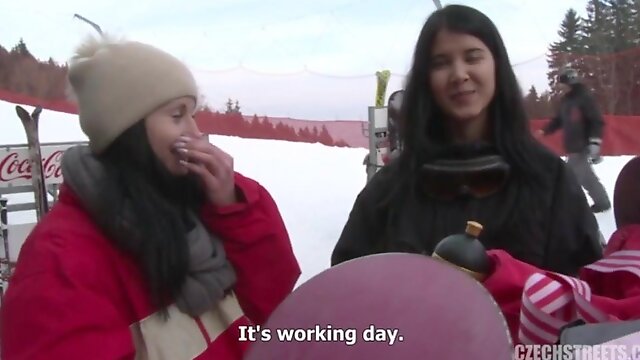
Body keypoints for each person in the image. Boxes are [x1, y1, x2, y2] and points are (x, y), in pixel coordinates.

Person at [0, 34, 300, 359]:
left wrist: (233, 206)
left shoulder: (193, 204)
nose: (196, 132)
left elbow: (274, 302)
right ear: (128, 131)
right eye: (177, 115)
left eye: (193, 113)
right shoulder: (60, 261)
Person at [331, 4, 603, 276]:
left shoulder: (549, 179)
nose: (459, 74)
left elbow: (586, 291)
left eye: (473, 58)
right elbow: (348, 288)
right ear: (426, 80)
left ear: (497, 66)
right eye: (441, 63)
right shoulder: (390, 189)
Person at [538, 67, 611, 213]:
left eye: (562, 84)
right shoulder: (567, 100)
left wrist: (594, 142)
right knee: (585, 177)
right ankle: (602, 202)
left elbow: (596, 121)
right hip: (572, 144)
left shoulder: (584, 98)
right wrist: (545, 130)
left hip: (582, 144)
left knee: (570, 177)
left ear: (570, 82)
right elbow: (559, 120)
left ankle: (566, 206)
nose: (560, 87)